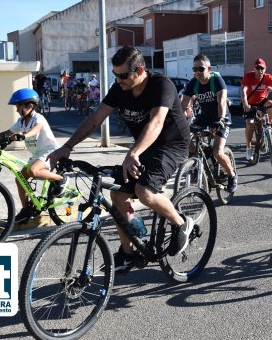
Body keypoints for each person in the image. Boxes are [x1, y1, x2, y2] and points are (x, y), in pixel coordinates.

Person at [48, 46, 193, 272]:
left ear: (140, 70)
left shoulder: (161, 85)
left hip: (171, 145)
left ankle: (181, 224)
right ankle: (128, 252)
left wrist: (133, 153)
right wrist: (67, 147)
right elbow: (95, 118)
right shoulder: (120, 89)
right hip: (145, 145)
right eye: (115, 75)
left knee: (145, 191)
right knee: (117, 193)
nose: (119, 79)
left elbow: (155, 123)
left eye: (124, 75)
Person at [0, 88, 66, 224]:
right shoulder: (21, 122)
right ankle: (26, 210)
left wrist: (24, 135)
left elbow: (36, 128)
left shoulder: (38, 118)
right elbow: (8, 132)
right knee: (20, 179)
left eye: (19, 106)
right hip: (37, 154)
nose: (17, 110)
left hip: (50, 152)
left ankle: (61, 179)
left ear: (30, 106)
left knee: (33, 171)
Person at [180, 54, 238, 192]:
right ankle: (196, 162)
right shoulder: (193, 83)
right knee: (186, 138)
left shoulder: (216, 80)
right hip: (204, 117)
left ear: (209, 68)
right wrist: (176, 120)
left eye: (201, 69)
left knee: (218, 152)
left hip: (221, 117)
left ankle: (232, 175)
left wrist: (221, 119)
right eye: (195, 69)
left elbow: (222, 101)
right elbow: (183, 104)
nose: (197, 72)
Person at [241, 58, 272, 161]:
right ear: (254, 68)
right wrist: (245, 104)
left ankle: (269, 126)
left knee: (271, 104)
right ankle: (248, 148)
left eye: (262, 68)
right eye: (257, 68)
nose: (260, 70)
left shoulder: (268, 77)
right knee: (250, 123)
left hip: (262, 101)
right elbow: (243, 91)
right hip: (250, 103)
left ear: (265, 69)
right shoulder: (248, 76)